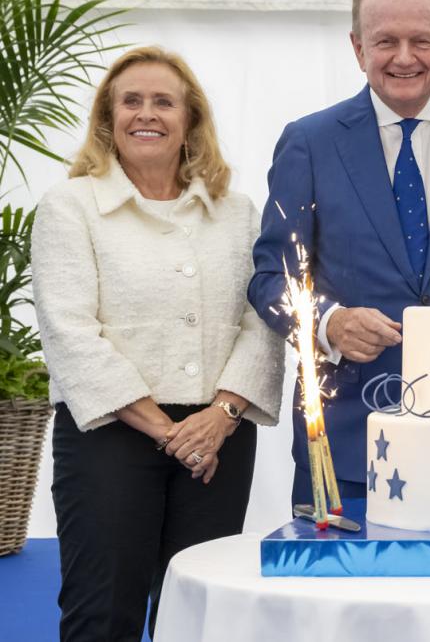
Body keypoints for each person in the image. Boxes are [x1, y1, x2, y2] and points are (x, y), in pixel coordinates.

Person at [31, 46, 284, 640]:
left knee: (197, 613)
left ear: (191, 120)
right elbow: (68, 330)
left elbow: (264, 320)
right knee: (102, 614)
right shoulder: (69, 206)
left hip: (219, 438)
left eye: (164, 102)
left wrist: (220, 416)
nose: (147, 114)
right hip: (108, 436)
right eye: (131, 101)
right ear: (107, 119)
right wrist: (170, 432)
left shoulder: (238, 212)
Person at [249, 0, 430, 505]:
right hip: (347, 440)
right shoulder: (309, 142)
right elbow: (272, 276)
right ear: (356, 47)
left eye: (422, 41)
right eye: (386, 41)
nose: (404, 57)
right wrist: (329, 321)